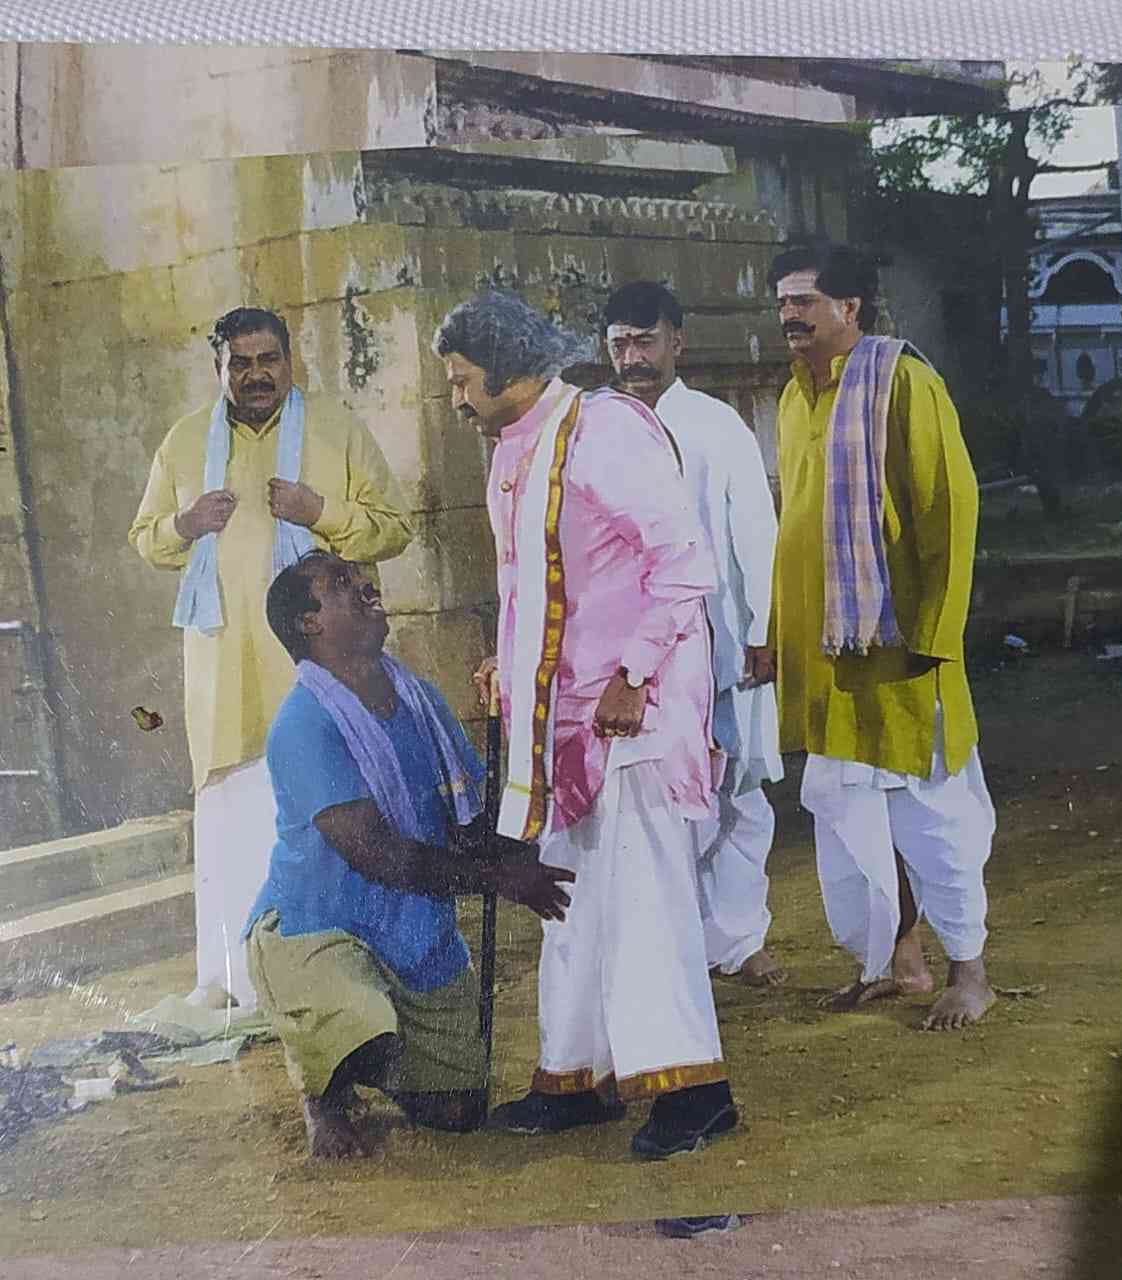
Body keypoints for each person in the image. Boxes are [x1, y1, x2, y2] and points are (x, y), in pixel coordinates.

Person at [433, 291, 738, 1160]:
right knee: (568, 898)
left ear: (510, 372)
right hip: (560, 722)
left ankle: (695, 1095)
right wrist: (506, 662)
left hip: (631, 712)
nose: (455, 399)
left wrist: (634, 674)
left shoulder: (603, 430)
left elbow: (682, 562)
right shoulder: (513, 449)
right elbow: (529, 587)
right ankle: (574, 1080)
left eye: (462, 381)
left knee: (644, 900)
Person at [129, 307, 413, 1012]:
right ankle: (234, 980)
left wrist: (320, 511)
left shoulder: (336, 429)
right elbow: (147, 538)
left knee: (324, 801)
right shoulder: (184, 441)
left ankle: (334, 976)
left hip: (317, 669)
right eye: (241, 363)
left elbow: (394, 529)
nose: (256, 374)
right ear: (219, 367)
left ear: (290, 361)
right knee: (231, 808)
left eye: (268, 360)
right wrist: (186, 523)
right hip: (224, 666)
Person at [244, 550, 574, 1158]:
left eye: (358, 576)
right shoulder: (302, 724)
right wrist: (499, 878)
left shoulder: (419, 698)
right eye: (341, 583)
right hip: (320, 930)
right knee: (359, 1029)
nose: (365, 585)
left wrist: (522, 854)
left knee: (458, 1112)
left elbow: (469, 823)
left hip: (412, 929)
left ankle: (372, 1050)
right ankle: (326, 1091)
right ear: (310, 623)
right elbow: (377, 855)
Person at [766, 242, 996, 1031]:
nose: (789, 315)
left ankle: (970, 971)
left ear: (849, 307)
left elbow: (947, 507)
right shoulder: (793, 396)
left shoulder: (901, 381)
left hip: (899, 650)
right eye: (782, 302)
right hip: (827, 655)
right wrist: (776, 638)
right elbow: (794, 530)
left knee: (930, 811)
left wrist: (936, 631)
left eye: (803, 300)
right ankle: (896, 963)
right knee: (848, 812)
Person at [602, 280, 785, 988]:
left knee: (737, 789)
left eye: (645, 341)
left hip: (720, 640)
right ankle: (672, 947)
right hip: (633, 654)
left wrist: (764, 628)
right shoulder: (597, 428)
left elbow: (755, 532)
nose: (633, 357)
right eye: (620, 344)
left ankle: (739, 939)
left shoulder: (714, 425)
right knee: (653, 800)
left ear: (676, 341)